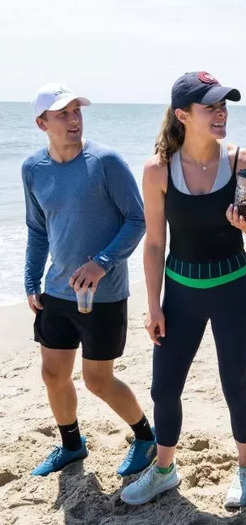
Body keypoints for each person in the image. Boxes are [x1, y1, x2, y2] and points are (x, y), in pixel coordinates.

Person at [120, 72, 246, 509]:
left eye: (225, 104)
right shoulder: (158, 169)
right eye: (211, 106)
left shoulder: (245, 160)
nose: (222, 112)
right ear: (183, 115)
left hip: (233, 289)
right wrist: (152, 305)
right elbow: (153, 242)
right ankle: (164, 469)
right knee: (164, 388)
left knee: (235, 386)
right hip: (181, 294)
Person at [23, 84, 155, 477]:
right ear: (41, 123)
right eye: (62, 114)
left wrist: (102, 262)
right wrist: (31, 279)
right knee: (53, 373)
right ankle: (71, 444)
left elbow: (137, 219)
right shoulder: (32, 168)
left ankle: (146, 438)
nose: (74, 119)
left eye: (77, 111)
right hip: (58, 290)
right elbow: (37, 229)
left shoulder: (106, 162)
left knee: (98, 380)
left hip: (104, 293)